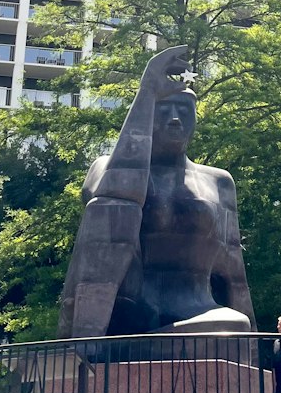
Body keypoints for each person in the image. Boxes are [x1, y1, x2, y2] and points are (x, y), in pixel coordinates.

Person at [58, 45, 256, 338]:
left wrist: (255, 342)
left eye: (184, 111)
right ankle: (89, 339)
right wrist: (147, 91)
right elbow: (109, 207)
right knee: (109, 205)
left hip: (199, 309)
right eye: (163, 110)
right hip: (132, 310)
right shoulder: (107, 168)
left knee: (236, 328)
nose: (174, 119)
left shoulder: (219, 181)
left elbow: (235, 276)